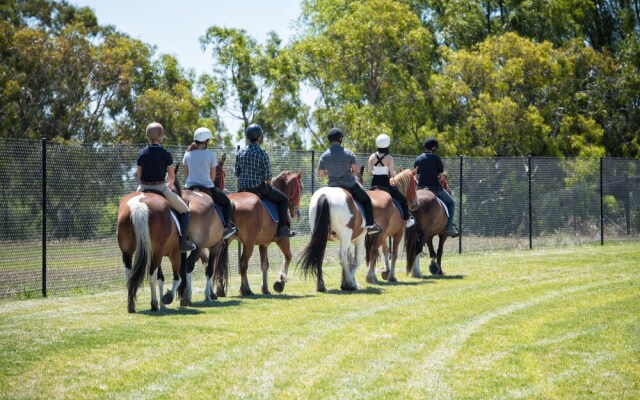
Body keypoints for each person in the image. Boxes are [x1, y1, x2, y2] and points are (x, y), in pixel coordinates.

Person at [136, 122, 196, 252]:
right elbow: (172, 176)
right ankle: (182, 243)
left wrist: (142, 185)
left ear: (147, 136)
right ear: (161, 136)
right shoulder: (165, 153)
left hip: (142, 188)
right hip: (160, 188)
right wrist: (169, 186)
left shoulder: (141, 153)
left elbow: (139, 175)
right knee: (185, 211)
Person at [235, 124, 296, 239]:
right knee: (283, 199)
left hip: (241, 188)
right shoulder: (263, 153)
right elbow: (268, 178)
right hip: (258, 188)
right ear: (260, 137)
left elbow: (237, 173)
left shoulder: (240, 152)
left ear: (247, 137)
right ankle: (283, 229)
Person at [317, 128, 382, 235]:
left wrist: (330, 173)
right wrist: (348, 172)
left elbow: (320, 174)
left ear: (329, 140)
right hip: (350, 185)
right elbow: (356, 170)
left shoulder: (324, 156)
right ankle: (370, 225)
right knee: (366, 200)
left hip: (332, 187)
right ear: (340, 139)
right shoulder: (348, 153)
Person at [182, 127, 238, 240]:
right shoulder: (211, 155)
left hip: (189, 188)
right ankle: (226, 229)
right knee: (227, 203)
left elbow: (186, 175)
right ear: (206, 141)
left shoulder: (187, 155)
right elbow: (213, 177)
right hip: (207, 187)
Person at [414, 137, 460, 237]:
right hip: (435, 189)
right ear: (433, 148)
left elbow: (416, 176)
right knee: (451, 203)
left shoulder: (418, 158)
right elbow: (442, 176)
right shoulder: (436, 158)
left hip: (420, 188)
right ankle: (449, 228)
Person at [368, 134, 415, 228]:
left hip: (373, 185)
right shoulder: (389, 157)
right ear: (387, 145)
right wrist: (391, 172)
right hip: (385, 185)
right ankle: (407, 220)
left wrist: (377, 171)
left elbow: (370, 172)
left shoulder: (372, 156)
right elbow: (392, 174)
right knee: (403, 200)